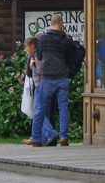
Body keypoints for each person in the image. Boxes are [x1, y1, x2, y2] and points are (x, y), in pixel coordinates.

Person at [32, 14, 76, 146]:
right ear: (61, 23)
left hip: (47, 78)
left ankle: (36, 138)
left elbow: (38, 55)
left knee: (40, 108)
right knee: (63, 108)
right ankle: (64, 137)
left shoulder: (43, 39)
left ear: (51, 23)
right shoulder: (66, 40)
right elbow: (73, 56)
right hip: (62, 77)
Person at [22, 36, 58, 145]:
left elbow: (36, 72)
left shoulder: (36, 55)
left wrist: (31, 66)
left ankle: (49, 133)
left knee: (38, 112)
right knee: (41, 111)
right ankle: (40, 138)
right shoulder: (45, 54)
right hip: (47, 83)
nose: (25, 49)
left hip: (40, 84)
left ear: (32, 46)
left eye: (26, 46)